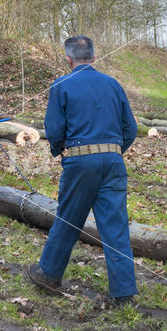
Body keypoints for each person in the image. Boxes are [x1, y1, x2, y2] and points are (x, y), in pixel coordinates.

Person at [27, 35, 138, 306]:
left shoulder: (61, 85)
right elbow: (130, 129)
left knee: (67, 220)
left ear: (68, 59)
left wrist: (62, 150)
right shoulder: (113, 84)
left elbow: (54, 130)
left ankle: (50, 274)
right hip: (113, 162)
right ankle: (124, 294)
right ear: (94, 57)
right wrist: (112, 151)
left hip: (80, 162)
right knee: (115, 227)